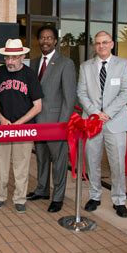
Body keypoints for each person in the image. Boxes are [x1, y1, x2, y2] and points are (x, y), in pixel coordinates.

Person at [77, 31, 127, 218]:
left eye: (105, 42)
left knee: (117, 164)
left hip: (115, 123)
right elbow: (81, 93)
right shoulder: (85, 67)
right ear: (94, 45)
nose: (101, 46)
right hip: (92, 122)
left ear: (112, 44)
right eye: (98, 43)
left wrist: (107, 113)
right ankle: (95, 196)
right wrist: (95, 112)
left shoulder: (122, 64)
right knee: (92, 162)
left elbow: (126, 92)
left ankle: (119, 200)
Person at [26, 25, 77, 213]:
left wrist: (62, 125)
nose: (45, 41)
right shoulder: (33, 62)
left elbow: (70, 98)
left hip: (56, 123)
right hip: (37, 122)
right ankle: (42, 190)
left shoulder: (66, 63)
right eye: (42, 38)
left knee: (59, 162)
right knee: (41, 158)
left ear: (55, 41)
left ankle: (58, 196)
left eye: (49, 38)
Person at [0, 39, 43, 214]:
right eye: (7, 57)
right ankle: (0, 196)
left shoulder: (30, 75)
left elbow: (38, 106)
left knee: (21, 165)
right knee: (1, 164)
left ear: (22, 56)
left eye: (14, 57)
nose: (9, 61)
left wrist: (18, 123)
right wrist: (1, 118)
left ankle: (20, 198)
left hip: (24, 128)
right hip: (2, 127)